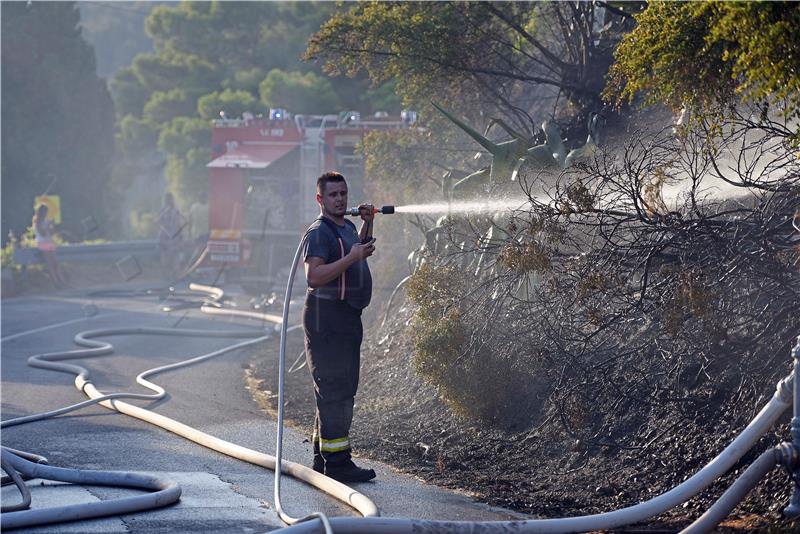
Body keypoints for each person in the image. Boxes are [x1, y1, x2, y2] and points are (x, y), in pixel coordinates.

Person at [302, 171, 377, 482]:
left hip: (346, 317)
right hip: (326, 319)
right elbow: (314, 276)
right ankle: (338, 463)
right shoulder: (318, 233)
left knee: (341, 387)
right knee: (335, 389)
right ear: (320, 199)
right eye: (333, 195)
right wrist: (353, 255)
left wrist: (368, 223)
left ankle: (324, 458)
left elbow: (358, 250)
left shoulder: (345, 226)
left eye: (343, 193)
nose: (340, 199)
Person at [32, 204, 67, 287]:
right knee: (50, 265)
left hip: (49, 242)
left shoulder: (46, 221)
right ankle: (56, 283)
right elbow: (42, 234)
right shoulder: (37, 222)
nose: (46, 214)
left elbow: (51, 233)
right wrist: (47, 225)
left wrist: (52, 225)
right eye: (45, 212)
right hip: (42, 243)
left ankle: (62, 281)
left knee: (56, 263)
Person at [157, 192, 186, 278]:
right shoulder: (162, 211)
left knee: (175, 257)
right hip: (165, 238)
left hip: (174, 238)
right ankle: (166, 275)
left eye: (170, 199)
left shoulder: (175, 210)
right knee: (165, 258)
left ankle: (175, 275)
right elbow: (158, 222)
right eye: (168, 199)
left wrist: (180, 235)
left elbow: (180, 223)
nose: (169, 201)